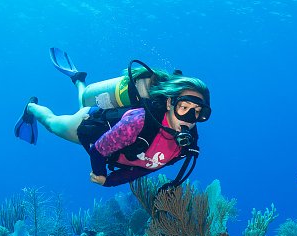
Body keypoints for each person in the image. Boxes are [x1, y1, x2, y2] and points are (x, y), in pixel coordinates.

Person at [14, 48, 211, 188]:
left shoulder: (185, 146)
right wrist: (101, 175)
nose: (189, 118)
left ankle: (78, 80)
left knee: (83, 100)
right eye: (184, 107)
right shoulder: (138, 121)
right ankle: (31, 107)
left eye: (198, 112)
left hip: (109, 141)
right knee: (53, 124)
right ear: (169, 103)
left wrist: (112, 181)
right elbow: (99, 150)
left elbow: (145, 168)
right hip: (89, 125)